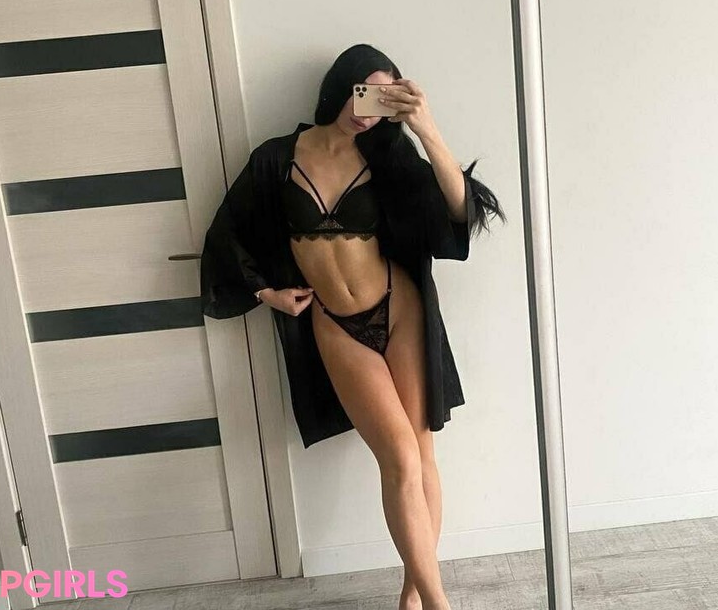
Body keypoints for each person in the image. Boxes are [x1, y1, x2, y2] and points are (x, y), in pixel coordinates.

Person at [199, 43, 504, 609]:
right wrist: (265, 292)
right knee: (398, 457)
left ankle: (417, 598)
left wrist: (426, 128)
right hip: (336, 323)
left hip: (400, 307)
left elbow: (457, 210)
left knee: (421, 453)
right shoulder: (276, 158)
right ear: (341, 86)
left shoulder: (388, 157)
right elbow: (227, 231)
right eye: (365, 93)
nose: (369, 111)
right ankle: (436, 602)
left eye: (386, 100)